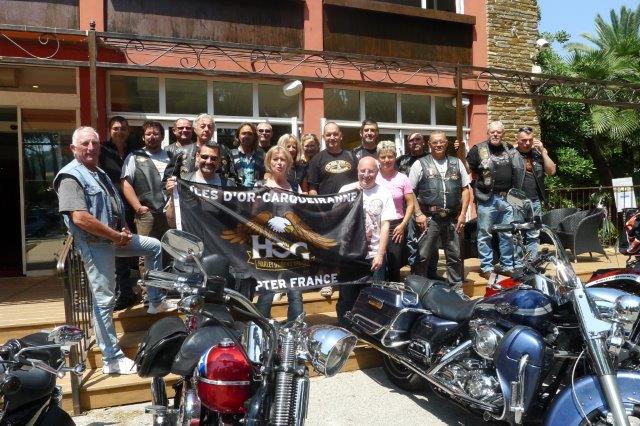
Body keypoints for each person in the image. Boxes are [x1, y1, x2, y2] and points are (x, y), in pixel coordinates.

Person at [54, 126, 168, 375]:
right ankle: (111, 358)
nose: (91, 148)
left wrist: (123, 228)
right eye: (85, 144)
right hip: (95, 244)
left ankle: (155, 301)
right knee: (104, 299)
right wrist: (115, 236)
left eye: (94, 143)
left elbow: (113, 205)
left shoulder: (99, 172)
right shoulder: (70, 177)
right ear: (73, 148)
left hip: (114, 238)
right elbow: (80, 218)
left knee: (154, 247)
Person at [337, 156, 395, 326]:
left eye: (371, 171)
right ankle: (345, 328)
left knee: (374, 297)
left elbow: (385, 225)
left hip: (373, 254)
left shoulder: (384, 193)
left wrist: (380, 254)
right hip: (349, 255)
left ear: (377, 172)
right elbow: (336, 219)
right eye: (363, 171)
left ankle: (369, 329)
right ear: (357, 171)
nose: (366, 174)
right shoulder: (345, 190)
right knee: (347, 296)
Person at [410, 132, 471, 292]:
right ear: (429, 144)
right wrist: (418, 214)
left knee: (455, 256)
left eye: (441, 142)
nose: (438, 145)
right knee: (423, 256)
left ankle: (456, 291)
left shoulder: (457, 162)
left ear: (446, 143)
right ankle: (418, 290)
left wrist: (463, 214)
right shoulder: (419, 164)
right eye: (435, 142)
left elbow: (466, 190)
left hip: (452, 218)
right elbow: (410, 192)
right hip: (429, 218)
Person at [254, 146, 305, 322]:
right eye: (275, 159)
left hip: (293, 245)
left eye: (283, 159)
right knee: (267, 292)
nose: (279, 163)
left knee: (295, 292)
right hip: (268, 246)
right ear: (269, 162)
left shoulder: (295, 186)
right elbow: (252, 214)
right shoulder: (260, 186)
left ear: (288, 163)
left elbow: (303, 212)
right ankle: (261, 328)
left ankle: (296, 327)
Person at [466, 121, 522, 277]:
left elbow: (519, 169)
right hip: (487, 199)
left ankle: (507, 265)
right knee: (485, 234)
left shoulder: (509, 149)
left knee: (507, 234)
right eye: (492, 132)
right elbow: (467, 169)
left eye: (498, 132)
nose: (495, 134)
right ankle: (486, 267)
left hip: (508, 199)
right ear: (488, 133)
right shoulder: (478, 149)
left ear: (503, 134)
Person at [99, 116, 139, 310]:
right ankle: (123, 294)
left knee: (137, 249)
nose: (120, 132)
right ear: (109, 130)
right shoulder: (102, 150)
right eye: (116, 128)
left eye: (123, 128)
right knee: (119, 249)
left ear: (128, 131)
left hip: (134, 206)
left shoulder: (135, 151)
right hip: (113, 207)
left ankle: (137, 290)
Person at [121, 121, 172, 244]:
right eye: (148, 134)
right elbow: (125, 183)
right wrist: (138, 208)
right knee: (146, 249)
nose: (152, 137)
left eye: (156, 134)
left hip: (169, 213)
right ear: (143, 137)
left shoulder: (171, 156)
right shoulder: (134, 156)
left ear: (162, 137)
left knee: (170, 249)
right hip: (147, 214)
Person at [166, 141, 236, 228]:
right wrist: (173, 197)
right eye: (205, 157)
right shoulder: (183, 182)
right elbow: (171, 222)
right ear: (197, 156)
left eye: (214, 158)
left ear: (219, 161)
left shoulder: (229, 185)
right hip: (192, 234)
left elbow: (236, 220)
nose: (208, 161)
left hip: (218, 234)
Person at [375, 140, 415, 282]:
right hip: (375, 225)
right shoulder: (373, 177)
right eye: (383, 157)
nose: (387, 160)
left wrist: (403, 224)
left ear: (395, 157)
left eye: (390, 156)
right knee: (377, 264)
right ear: (378, 158)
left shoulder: (402, 178)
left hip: (396, 226)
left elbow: (410, 204)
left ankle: (393, 291)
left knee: (394, 264)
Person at [514, 126, 556, 255]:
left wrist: (543, 152)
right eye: (524, 140)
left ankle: (532, 261)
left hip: (535, 200)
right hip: (516, 199)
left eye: (530, 140)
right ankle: (519, 262)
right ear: (517, 139)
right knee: (517, 234)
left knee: (534, 234)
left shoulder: (538, 154)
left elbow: (551, 171)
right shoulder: (511, 154)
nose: (527, 143)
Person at [164, 113, 235, 183]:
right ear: (195, 129)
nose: (206, 129)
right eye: (202, 126)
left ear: (213, 130)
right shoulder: (181, 151)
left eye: (210, 127)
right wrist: (170, 185)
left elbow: (233, 177)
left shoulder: (224, 151)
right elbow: (168, 178)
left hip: (217, 189)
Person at [396, 132, 430, 273]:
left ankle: (429, 271)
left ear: (423, 142)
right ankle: (415, 270)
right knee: (411, 239)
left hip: (428, 206)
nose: (414, 142)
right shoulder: (400, 161)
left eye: (418, 139)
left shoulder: (431, 159)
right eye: (411, 140)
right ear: (407, 143)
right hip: (407, 207)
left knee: (429, 240)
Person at [307, 122, 357, 196]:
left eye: (335, 134)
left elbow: (359, 182)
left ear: (341, 136)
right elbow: (312, 189)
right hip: (327, 203)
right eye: (328, 135)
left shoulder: (352, 157)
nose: (332, 137)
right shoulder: (316, 159)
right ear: (323, 137)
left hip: (349, 202)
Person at [230, 122, 265, 188]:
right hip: (236, 192)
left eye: (250, 134)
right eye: (244, 133)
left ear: (254, 137)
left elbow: (267, 174)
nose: (247, 136)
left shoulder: (262, 155)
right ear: (238, 136)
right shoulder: (231, 154)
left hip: (257, 193)